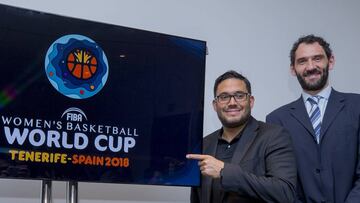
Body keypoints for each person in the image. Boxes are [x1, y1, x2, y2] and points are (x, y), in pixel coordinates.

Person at [266, 34, 360, 203]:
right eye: (302, 61)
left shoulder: (357, 106)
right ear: (293, 69)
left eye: (317, 58)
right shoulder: (276, 119)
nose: (310, 67)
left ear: (330, 62)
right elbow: (282, 182)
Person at [187, 70, 296, 203]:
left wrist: (224, 171)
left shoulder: (274, 136)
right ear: (215, 105)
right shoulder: (204, 144)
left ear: (251, 101)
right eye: (224, 97)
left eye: (239, 95)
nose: (232, 102)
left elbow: (285, 193)